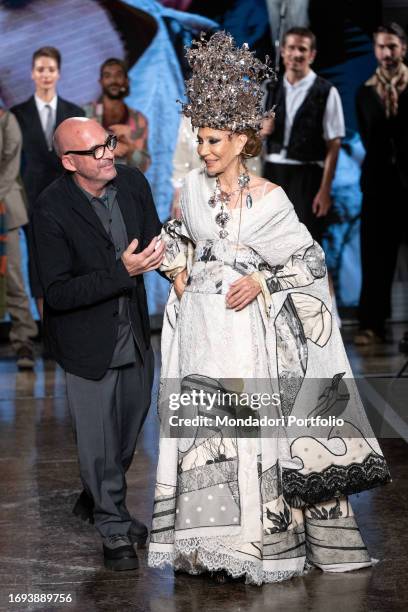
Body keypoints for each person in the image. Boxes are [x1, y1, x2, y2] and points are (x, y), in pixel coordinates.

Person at [147, 32, 390, 585]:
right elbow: (181, 237)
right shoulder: (190, 185)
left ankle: (252, 547)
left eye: (212, 141)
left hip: (247, 339)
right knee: (203, 439)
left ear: (239, 140)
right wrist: (170, 263)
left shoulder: (272, 199)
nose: (203, 150)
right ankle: (205, 545)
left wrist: (260, 277)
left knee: (243, 436)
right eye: (199, 139)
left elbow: (309, 261)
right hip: (200, 333)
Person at [31, 117, 165, 571]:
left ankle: (97, 496)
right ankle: (112, 527)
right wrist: (120, 273)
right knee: (99, 443)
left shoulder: (132, 182)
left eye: (107, 143)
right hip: (87, 343)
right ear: (70, 162)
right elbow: (59, 291)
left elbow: (152, 241)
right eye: (96, 150)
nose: (109, 152)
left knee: (126, 437)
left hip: (135, 334)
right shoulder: (51, 208)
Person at [11, 46, 85, 316]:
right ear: (32, 73)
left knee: (72, 261)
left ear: (59, 74)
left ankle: (70, 328)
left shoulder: (74, 111)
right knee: (38, 266)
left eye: (50, 70)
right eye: (41, 69)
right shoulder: (17, 114)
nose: (45, 75)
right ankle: (46, 331)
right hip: (31, 201)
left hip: (69, 200)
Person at [262, 27, 345, 244]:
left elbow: (334, 144)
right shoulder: (270, 88)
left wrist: (325, 190)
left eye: (303, 49)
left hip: (307, 176)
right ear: (283, 51)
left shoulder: (326, 91)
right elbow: (253, 138)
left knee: (306, 245)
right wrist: (261, 129)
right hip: (272, 173)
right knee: (271, 242)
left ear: (312, 55)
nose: (296, 54)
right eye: (291, 48)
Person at [354, 23, 408, 346]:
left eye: (392, 47)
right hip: (377, 185)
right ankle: (372, 323)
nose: (387, 54)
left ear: (403, 47)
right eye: (381, 47)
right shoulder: (365, 91)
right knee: (375, 256)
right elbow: (368, 137)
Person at [0, 107, 38, 369]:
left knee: (12, 276)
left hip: (5, 206)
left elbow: (11, 164)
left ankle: (23, 338)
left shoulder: (6, 119)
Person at [84, 58, 150, 173]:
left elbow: (143, 166)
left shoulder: (138, 120)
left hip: (125, 185)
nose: (113, 80)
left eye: (118, 75)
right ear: (101, 81)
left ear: (126, 80)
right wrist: (106, 147)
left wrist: (130, 149)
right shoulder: (86, 114)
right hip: (91, 184)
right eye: (107, 76)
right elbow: (75, 155)